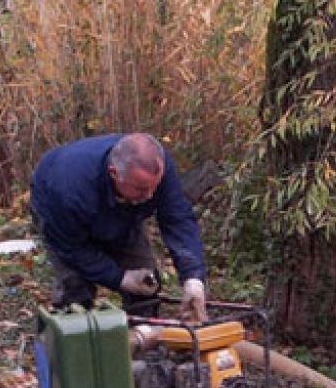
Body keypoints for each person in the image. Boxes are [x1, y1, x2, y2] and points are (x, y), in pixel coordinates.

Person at [30, 132, 208, 322]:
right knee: (75, 290)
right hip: (62, 214)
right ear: (114, 173)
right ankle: (72, 340)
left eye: (154, 187)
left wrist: (193, 278)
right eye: (141, 188)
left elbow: (177, 218)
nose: (149, 196)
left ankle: (141, 338)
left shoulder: (157, 167)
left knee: (146, 283)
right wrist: (119, 278)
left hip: (122, 211)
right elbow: (72, 248)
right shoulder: (66, 190)